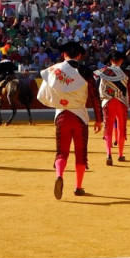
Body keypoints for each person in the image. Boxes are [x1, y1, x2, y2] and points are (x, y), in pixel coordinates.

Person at [38, 41, 102, 199]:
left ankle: (59, 175)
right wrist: (99, 119)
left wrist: (58, 103)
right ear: (79, 55)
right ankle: (78, 187)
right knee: (80, 153)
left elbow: (41, 95)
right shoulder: (86, 71)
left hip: (61, 116)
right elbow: (94, 96)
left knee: (61, 152)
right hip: (79, 116)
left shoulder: (53, 70)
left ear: (63, 54)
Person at [96, 50, 130, 165]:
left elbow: (97, 88)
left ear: (111, 60)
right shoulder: (126, 73)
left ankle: (108, 153)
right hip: (121, 103)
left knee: (108, 128)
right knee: (121, 128)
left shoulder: (103, 72)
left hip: (107, 102)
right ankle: (120, 155)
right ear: (121, 61)